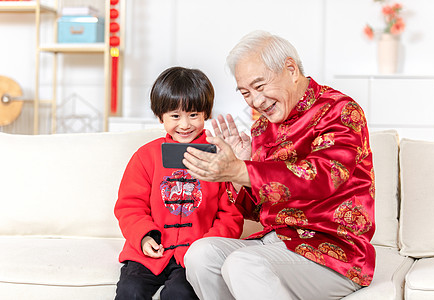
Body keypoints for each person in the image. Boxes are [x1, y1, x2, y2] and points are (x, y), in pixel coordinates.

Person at [182, 30, 376, 299]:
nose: (256, 101)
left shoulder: (340, 111)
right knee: (201, 254)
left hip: (333, 251)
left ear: (290, 69)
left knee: (243, 263)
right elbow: (255, 210)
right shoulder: (263, 126)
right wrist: (241, 168)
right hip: (276, 241)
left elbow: (320, 178)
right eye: (246, 93)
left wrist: (242, 170)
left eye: (260, 87)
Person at [114, 66, 244, 300]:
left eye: (193, 114)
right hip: (149, 253)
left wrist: (204, 250)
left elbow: (231, 215)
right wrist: (144, 237)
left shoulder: (221, 158)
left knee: (179, 294)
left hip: (193, 257)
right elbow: (129, 206)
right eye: (175, 116)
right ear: (159, 116)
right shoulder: (145, 156)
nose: (184, 124)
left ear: (206, 113)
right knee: (129, 291)